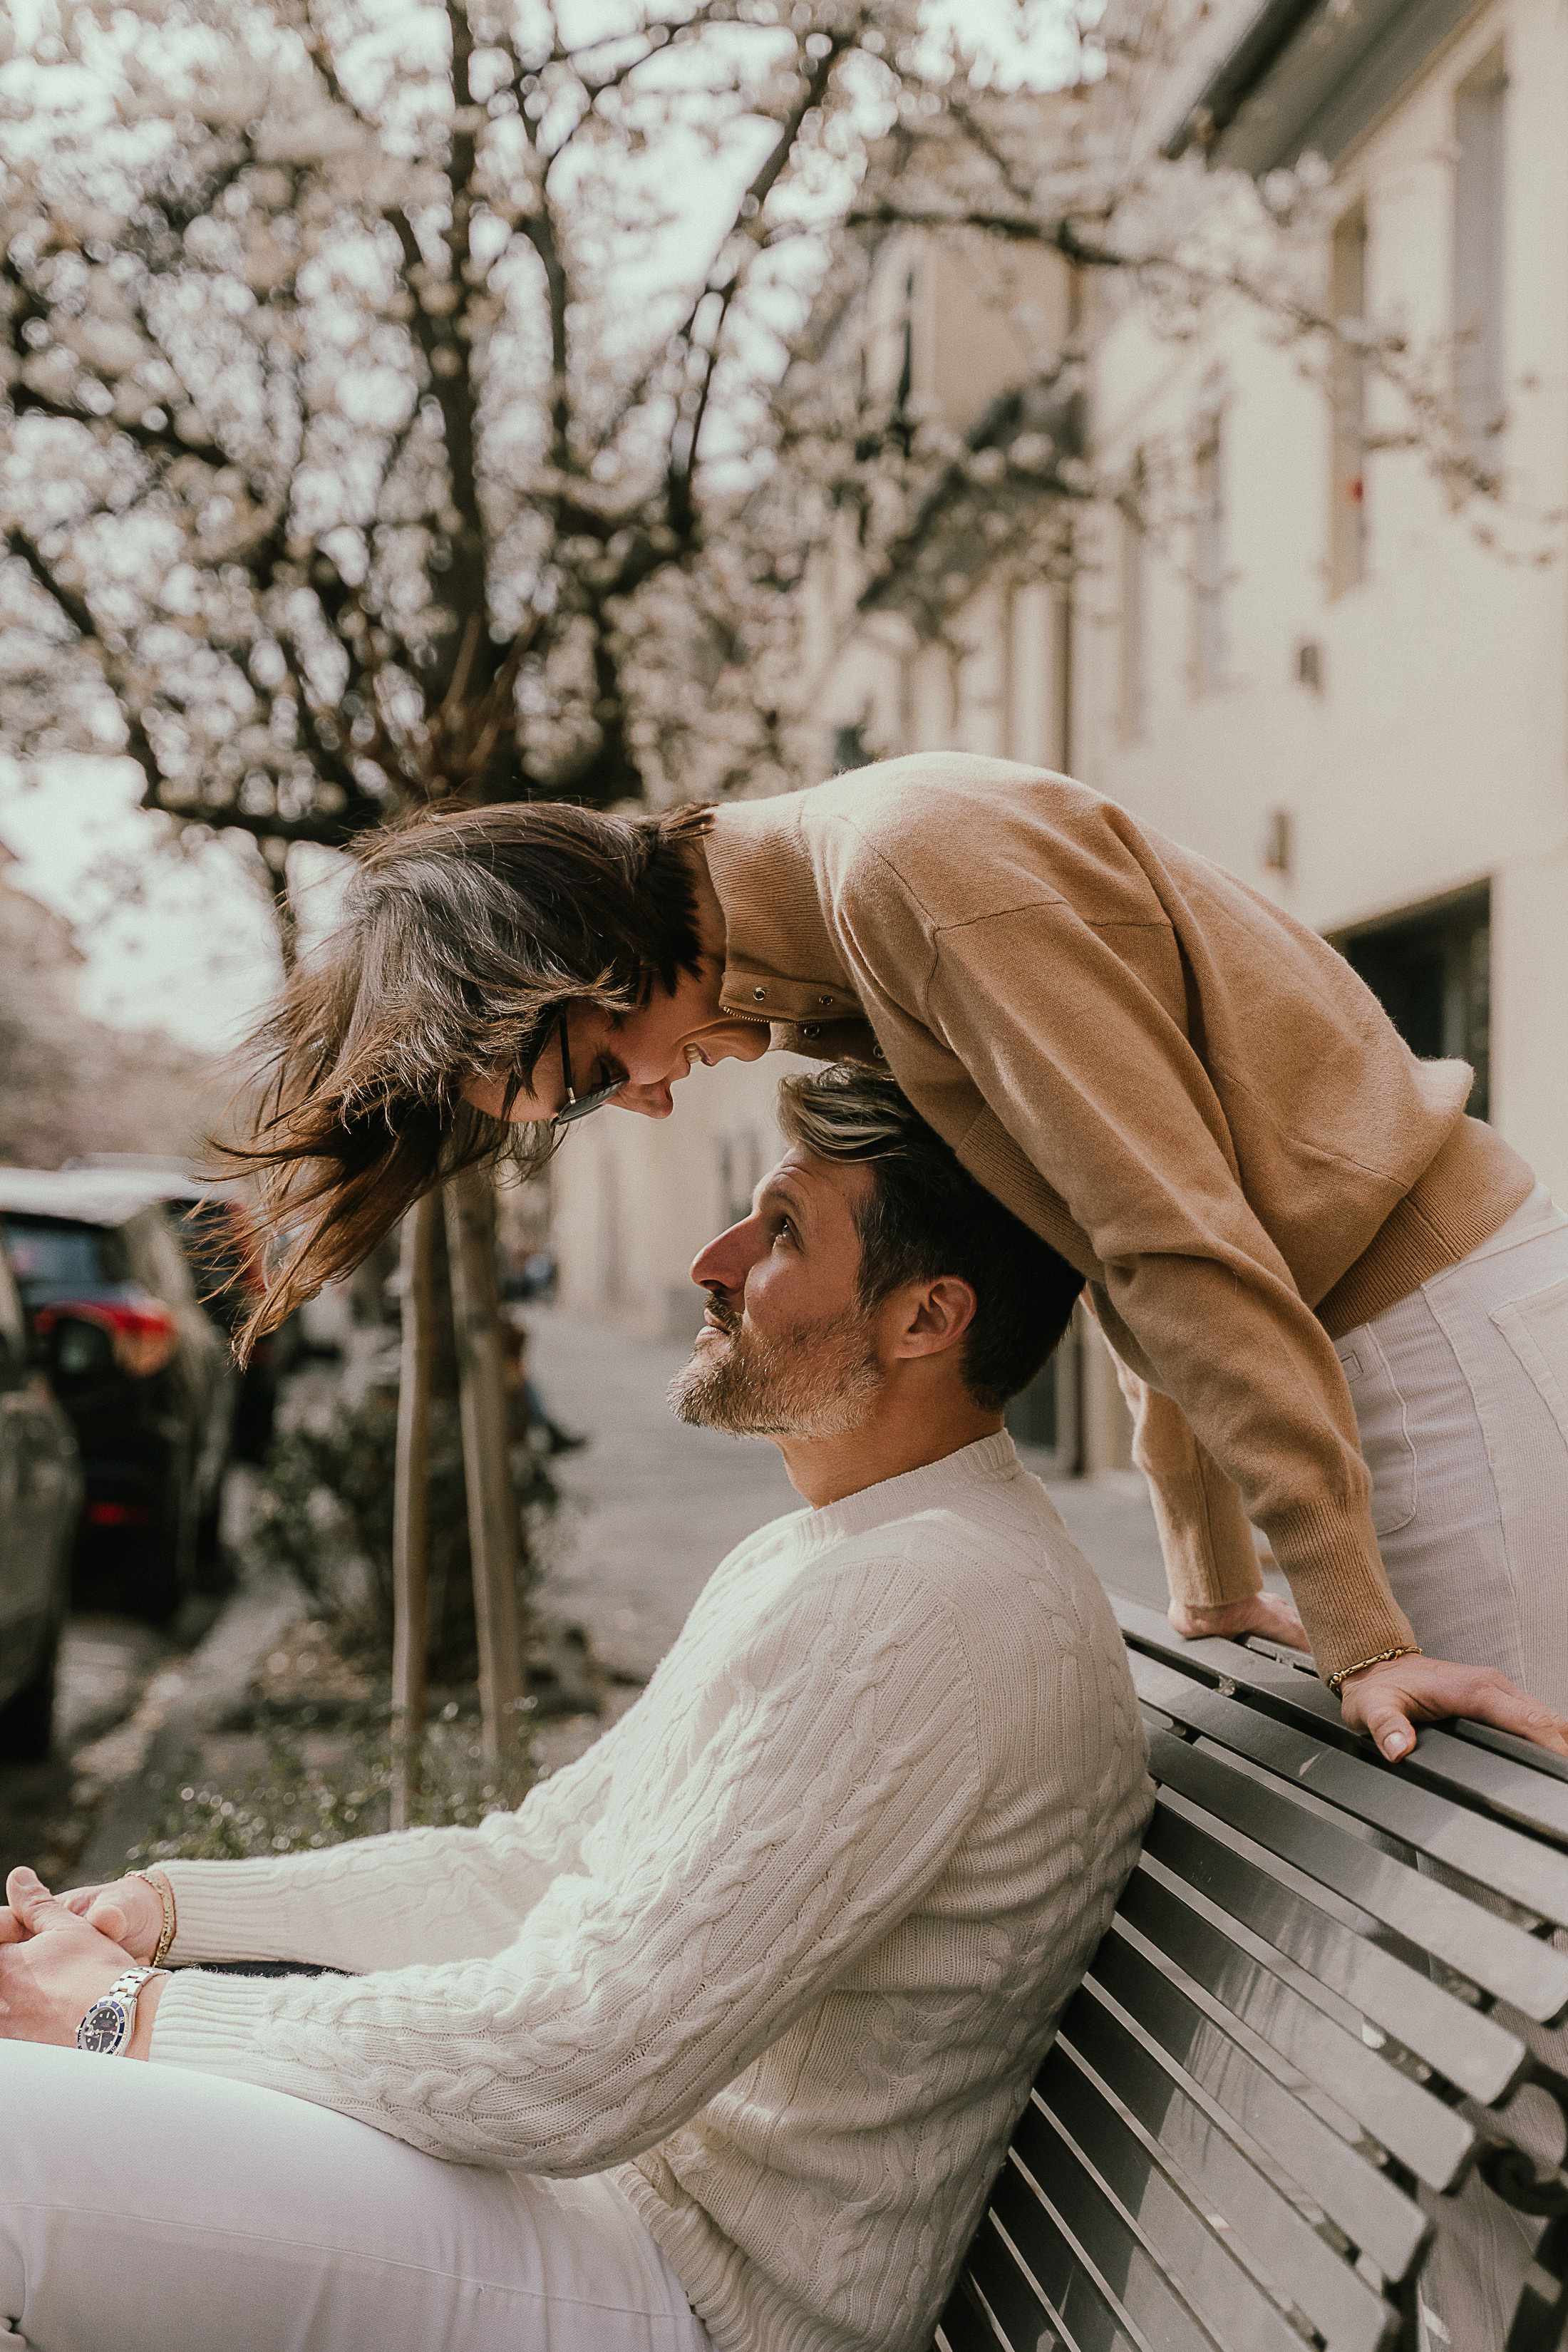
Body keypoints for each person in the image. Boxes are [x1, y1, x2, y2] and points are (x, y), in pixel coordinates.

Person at [0, 1068, 1152, 2352]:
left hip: (687, 2294)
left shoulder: (924, 1607)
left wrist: (123, 2016)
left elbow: (574, 2063)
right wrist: (164, 1912)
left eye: (781, 1231)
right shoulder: (835, 1556)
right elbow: (531, 1868)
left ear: (927, 1316)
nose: (711, 1262)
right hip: (603, 2221)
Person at [225, 755, 1568, 1766]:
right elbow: (1113, 1235)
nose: (641, 1104)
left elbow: (1171, 1237)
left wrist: (1358, 1627)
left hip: (1437, 1334)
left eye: (583, 1079)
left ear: (581, 952)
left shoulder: (907, 880)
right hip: (1375, 1339)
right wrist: (1214, 1569)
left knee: (1522, 1881)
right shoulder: (840, 941)